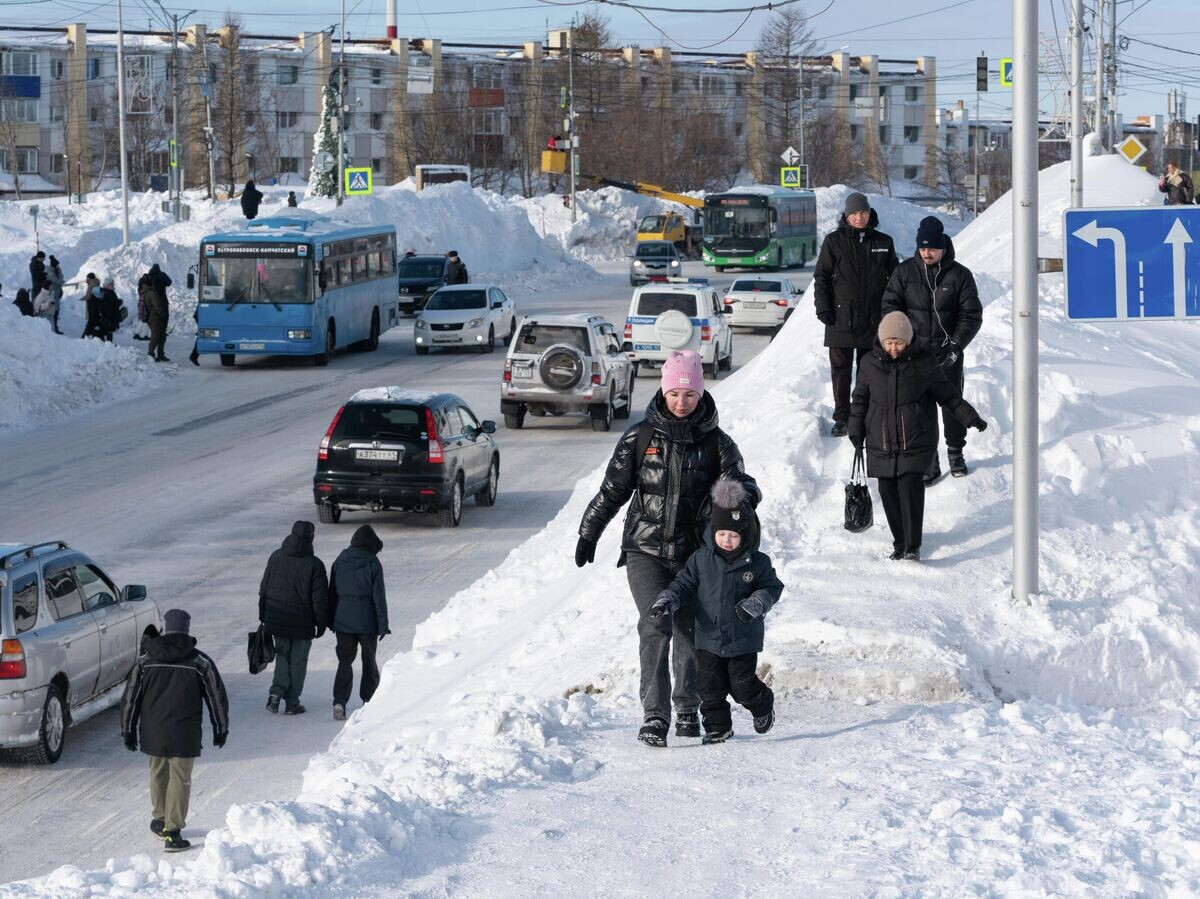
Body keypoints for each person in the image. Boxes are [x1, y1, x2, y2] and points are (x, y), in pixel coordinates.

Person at [576, 350, 760, 748]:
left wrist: (743, 495)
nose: (681, 401)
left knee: (689, 630)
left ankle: (687, 707)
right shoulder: (640, 437)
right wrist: (589, 532)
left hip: (695, 556)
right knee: (656, 623)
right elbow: (612, 491)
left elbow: (739, 484)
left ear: (701, 393)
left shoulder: (718, 444)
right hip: (645, 550)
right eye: (675, 393)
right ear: (663, 390)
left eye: (689, 394)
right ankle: (654, 715)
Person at [649, 479, 784, 745]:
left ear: (745, 534)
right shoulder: (701, 559)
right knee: (710, 688)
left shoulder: (757, 563)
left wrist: (756, 603)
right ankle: (718, 728)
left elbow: (772, 587)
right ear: (713, 531)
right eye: (722, 533)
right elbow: (683, 584)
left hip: (742, 639)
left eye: (733, 535)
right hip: (708, 637)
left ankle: (762, 704)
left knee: (742, 686)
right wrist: (667, 599)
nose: (727, 540)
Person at [848, 312, 987, 562]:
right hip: (880, 440)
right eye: (889, 342)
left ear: (908, 341)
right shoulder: (869, 363)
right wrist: (855, 430)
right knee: (887, 491)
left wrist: (970, 417)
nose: (893, 348)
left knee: (909, 488)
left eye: (898, 342)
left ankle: (912, 546)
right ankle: (899, 542)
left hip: (915, 439)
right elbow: (859, 400)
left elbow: (948, 395)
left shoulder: (924, 362)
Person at [881, 216, 983, 482]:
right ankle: (930, 460)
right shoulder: (904, 272)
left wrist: (955, 346)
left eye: (933, 249)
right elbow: (890, 308)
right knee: (919, 411)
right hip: (914, 355)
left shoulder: (960, 275)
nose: (927, 253)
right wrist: (901, 343)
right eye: (923, 248)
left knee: (952, 405)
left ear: (943, 248)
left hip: (947, 354)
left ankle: (956, 453)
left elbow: (971, 315)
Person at [120, 609, 229, 853]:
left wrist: (127, 730)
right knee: (180, 779)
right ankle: (173, 832)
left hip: (154, 731)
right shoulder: (200, 662)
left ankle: (160, 820)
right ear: (187, 629)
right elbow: (216, 697)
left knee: (158, 775)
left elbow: (130, 698)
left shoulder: (145, 661)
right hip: (185, 732)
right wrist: (220, 728)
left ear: (166, 628)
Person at [813, 192, 898, 438]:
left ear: (869, 214)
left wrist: (893, 312)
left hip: (874, 320)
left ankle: (865, 414)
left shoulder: (884, 242)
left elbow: (896, 280)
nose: (859, 217)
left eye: (863, 213)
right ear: (846, 216)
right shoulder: (833, 241)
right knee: (840, 371)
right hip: (840, 318)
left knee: (868, 369)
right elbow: (821, 277)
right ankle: (842, 417)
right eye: (854, 214)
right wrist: (823, 307)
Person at [259, 521, 329, 715]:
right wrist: (321, 623)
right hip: (302, 622)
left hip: (277, 617)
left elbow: (264, 588)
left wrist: (263, 613)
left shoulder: (276, 557)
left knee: (282, 655)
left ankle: (275, 694)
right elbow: (319, 599)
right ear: (311, 538)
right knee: (298, 660)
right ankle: (292, 703)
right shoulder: (315, 564)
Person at [329, 525, 389, 721]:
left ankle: (339, 701)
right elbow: (379, 598)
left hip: (343, 621)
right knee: (369, 661)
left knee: (344, 661)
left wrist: (331, 620)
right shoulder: (373, 563)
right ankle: (369, 700)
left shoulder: (340, 561)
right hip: (367, 622)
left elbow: (332, 594)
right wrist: (383, 624)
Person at [146, 263, 172, 362]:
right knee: (158, 334)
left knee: (158, 333)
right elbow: (169, 282)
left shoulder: (149, 277)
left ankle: (157, 354)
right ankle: (153, 353)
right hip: (160, 307)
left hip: (152, 310)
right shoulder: (161, 275)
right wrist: (162, 313)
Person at [96, 277, 124, 341]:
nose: (113, 285)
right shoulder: (108, 293)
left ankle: (105, 344)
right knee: (109, 331)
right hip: (109, 316)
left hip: (107, 316)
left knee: (106, 331)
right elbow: (111, 304)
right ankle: (108, 344)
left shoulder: (104, 292)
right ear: (108, 284)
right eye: (112, 284)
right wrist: (119, 302)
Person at [46, 255, 65, 334]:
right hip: (52, 296)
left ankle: (55, 328)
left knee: (55, 312)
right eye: (57, 265)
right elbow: (60, 281)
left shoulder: (52, 271)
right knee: (54, 312)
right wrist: (60, 273)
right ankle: (54, 330)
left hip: (55, 295)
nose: (58, 266)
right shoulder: (50, 273)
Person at [80, 273, 101, 338]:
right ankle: (96, 336)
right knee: (94, 322)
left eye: (87, 278)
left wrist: (80, 299)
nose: (86, 279)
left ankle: (83, 337)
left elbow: (88, 296)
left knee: (90, 323)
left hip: (92, 306)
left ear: (90, 278)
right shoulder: (96, 284)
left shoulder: (91, 286)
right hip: (96, 307)